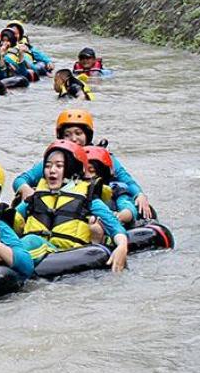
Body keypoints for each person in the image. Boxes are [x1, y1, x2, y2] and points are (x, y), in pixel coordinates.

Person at [11, 109, 153, 221]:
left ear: (87, 135)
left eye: (78, 133)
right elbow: (21, 179)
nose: (73, 139)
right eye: (67, 134)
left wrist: (139, 195)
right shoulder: (56, 160)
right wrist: (25, 189)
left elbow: (127, 181)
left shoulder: (104, 158)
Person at [14, 141, 128, 272]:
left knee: (32, 240)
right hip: (36, 253)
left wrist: (122, 245)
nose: (52, 170)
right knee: (28, 240)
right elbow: (10, 219)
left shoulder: (88, 198)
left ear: (71, 170)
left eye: (59, 166)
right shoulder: (36, 196)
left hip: (66, 255)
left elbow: (114, 227)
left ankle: (12, 259)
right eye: (48, 166)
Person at [82, 145, 142, 229]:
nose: (86, 176)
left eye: (91, 171)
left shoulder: (115, 188)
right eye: (82, 172)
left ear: (103, 172)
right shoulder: (72, 188)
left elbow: (127, 207)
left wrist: (119, 216)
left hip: (109, 226)